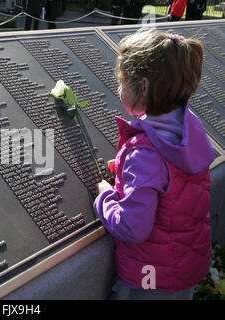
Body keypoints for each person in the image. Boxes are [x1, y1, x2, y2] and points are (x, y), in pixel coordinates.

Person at [94, 29, 214, 300]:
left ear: (144, 86)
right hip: (183, 270)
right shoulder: (188, 127)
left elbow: (133, 227)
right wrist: (128, 169)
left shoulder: (145, 154)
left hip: (150, 280)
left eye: (122, 81)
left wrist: (105, 198)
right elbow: (173, 182)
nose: (118, 88)